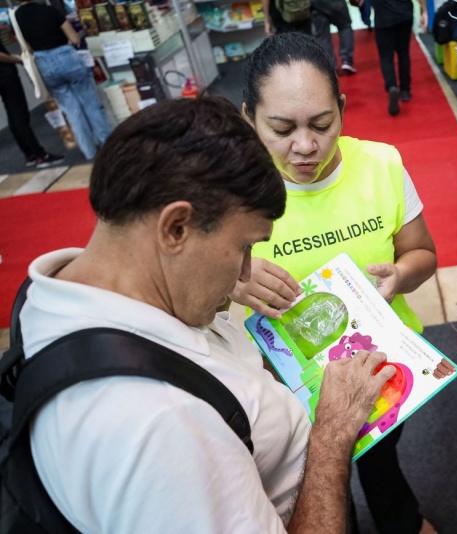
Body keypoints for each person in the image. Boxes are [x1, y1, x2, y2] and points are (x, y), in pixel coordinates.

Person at [19, 96, 397, 532]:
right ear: (175, 228)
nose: (246, 273)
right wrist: (331, 435)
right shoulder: (157, 426)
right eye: (243, 248)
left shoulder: (71, 286)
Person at [235, 33, 438, 534]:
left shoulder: (382, 165)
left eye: (322, 125)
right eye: (281, 129)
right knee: (314, 481)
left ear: (342, 109)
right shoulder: (231, 191)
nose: (305, 146)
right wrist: (233, 278)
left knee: (380, 462)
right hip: (287, 385)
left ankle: (401, 522)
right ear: (249, 118)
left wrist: (402, 274)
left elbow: (424, 255)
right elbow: (177, 294)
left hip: (379, 369)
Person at [14, 0, 112, 160]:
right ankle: (108, 145)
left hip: (44, 63)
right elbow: (74, 39)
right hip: (66, 57)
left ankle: (89, 152)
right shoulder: (50, 10)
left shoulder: (17, 17)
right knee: (91, 104)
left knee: (72, 111)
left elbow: (27, 47)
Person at [0, 40, 63, 168]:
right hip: (5, 75)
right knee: (19, 115)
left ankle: (29, 154)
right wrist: (16, 59)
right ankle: (40, 155)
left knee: (13, 115)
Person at [370, 0, 427, 115]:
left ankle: (392, 86)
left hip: (383, 18)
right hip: (404, 15)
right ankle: (405, 90)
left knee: (386, 56)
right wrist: (424, 11)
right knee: (403, 53)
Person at [312, 0, 357, 74]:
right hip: (336, 3)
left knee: (323, 36)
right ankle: (347, 60)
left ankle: (331, 64)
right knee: (345, 27)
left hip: (316, 4)